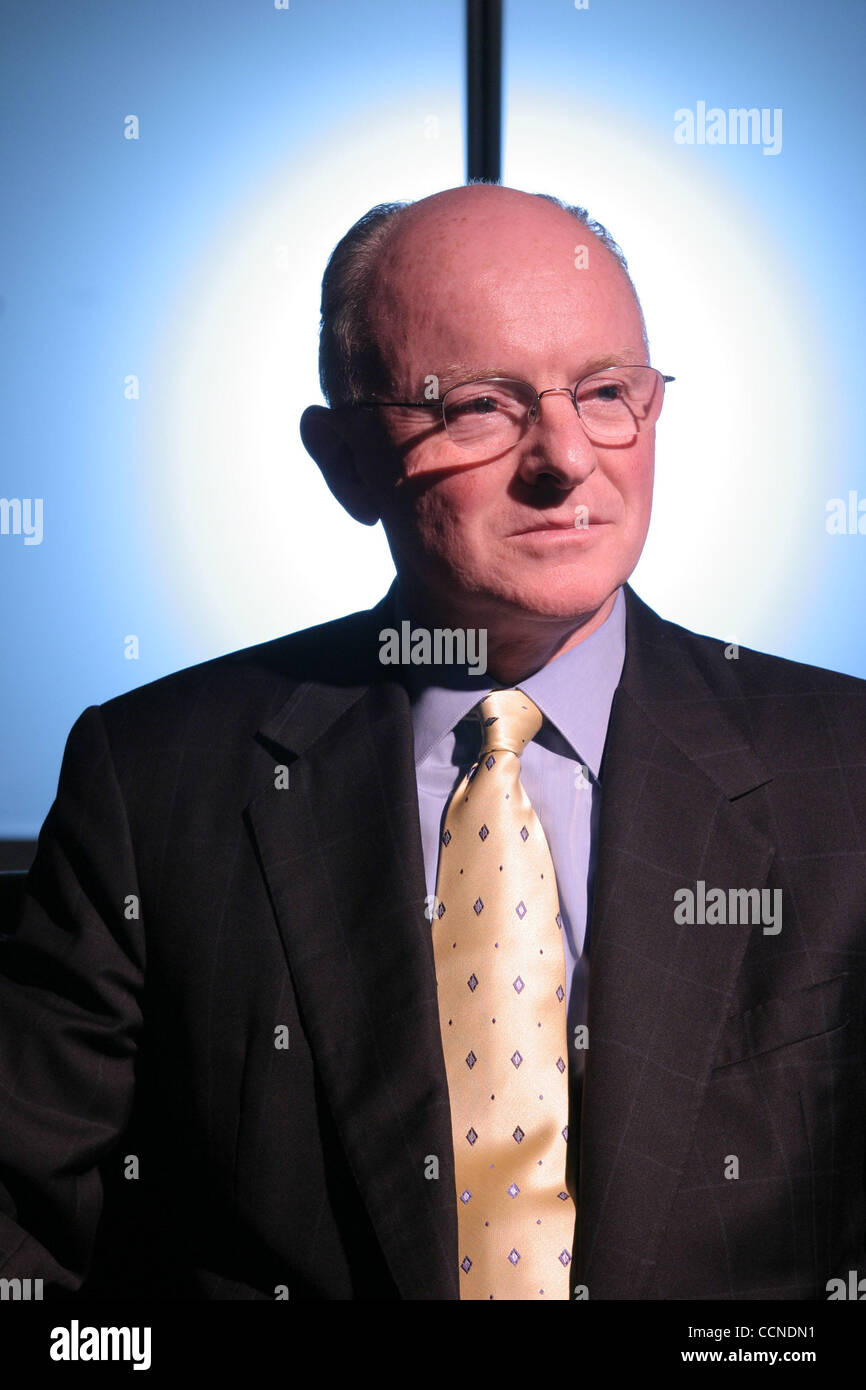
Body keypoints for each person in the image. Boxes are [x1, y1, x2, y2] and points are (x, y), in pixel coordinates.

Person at [0, 183, 863, 1301]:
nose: (563, 458)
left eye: (605, 393)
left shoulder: (842, 776)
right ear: (345, 461)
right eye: (477, 408)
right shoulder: (155, 777)